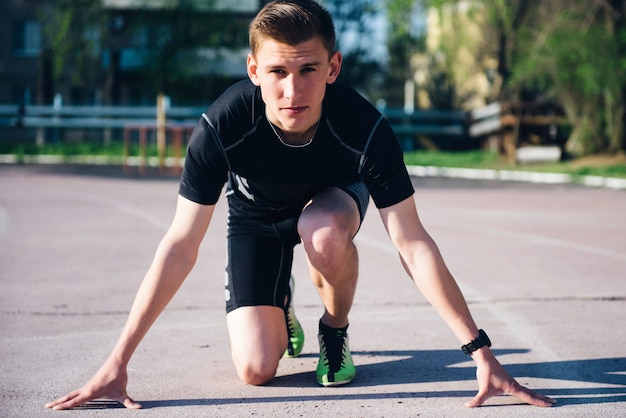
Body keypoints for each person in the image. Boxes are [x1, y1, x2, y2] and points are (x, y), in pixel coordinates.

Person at [46, 0, 555, 410]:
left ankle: (334, 331)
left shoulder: (364, 126)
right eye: (277, 72)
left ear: (333, 66)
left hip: (331, 204)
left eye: (309, 68)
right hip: (256, 217)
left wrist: (480, 352)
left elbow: (412, 241)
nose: (293, 90)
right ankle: (280, 300)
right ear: (253, 70)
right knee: (255, 370)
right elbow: (179, 244)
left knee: (324, 229)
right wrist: (118, 361)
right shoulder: (221, 126)